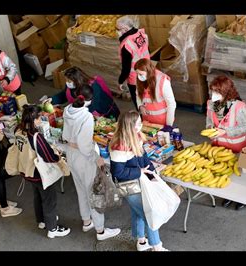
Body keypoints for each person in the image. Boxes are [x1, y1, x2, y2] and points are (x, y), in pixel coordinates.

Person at [62, 94, 121, 241]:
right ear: (89, 100)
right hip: (84, 158)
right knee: (94, 193)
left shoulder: (67, 110)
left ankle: (86, 222)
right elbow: (85, 145)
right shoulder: (86, 117)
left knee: (81, 189)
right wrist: (97, 158)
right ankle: (100, 231)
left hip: (71, 154)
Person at [109, 110, 169, 251]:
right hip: (128, 185)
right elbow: (117, 172)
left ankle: (141, 242)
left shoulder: (136, 137)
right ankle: (157, 247)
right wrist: (139, 171)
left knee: (138, 212)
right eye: (138, 123)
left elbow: (142, 157)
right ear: (131, 126)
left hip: (138, 181)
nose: (141, 125)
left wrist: (152, 170)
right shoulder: (119, 146)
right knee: (150, 214)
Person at [15, 104, 71, 238]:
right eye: (40, 117)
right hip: (39, 174)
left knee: (38, 196)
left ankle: (41, 221)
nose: (41, 120)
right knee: (49, 200)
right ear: (34, 120)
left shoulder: (19, 130)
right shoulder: (35, 136)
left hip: (26, 171)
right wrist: (58, 156)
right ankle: (52, 228)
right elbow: (48, 156)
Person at [206, 75, 246, 211]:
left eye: (217, 92)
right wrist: (211, 130)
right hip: (219, 147)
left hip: (237, 147)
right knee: (224, 172)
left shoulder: (238, 106)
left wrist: (224, 131)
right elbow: (208, 122)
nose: (213, 94)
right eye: (212, 91)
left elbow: (245, 127)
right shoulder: (210, 104)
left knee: (239, 174)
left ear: (226, 92)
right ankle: (229, 196)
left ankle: (243, 198)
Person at [50, 67, 119, 118]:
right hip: (83, 112)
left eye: (69, 81)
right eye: (66, 80)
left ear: (77, 80)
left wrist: (76, 113)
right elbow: (64, 95)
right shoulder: (71, 86)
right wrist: (52, 100)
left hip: (102, 112)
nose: (67, 83)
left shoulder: (93, 87)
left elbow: (94, 105)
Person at [116, 16, 150, 110]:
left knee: (139, 102)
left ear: (125, 29)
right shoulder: (142, 34)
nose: (117, 31)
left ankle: (144, 120)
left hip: (135, 78)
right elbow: (147, 50)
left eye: (118, 29)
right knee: (149, 97)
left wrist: (120, 81)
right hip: (148, 71)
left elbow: (126, 68)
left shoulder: (126, 44)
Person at [134, 58, 176, 126]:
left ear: (148, 71)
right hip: (147, 120)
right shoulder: (140, 80)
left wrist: (169, 125)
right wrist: (140, 106)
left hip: (161, 122)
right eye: (137, 74)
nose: (139, 76)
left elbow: (171, 104)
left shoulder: (163, 81)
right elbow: (138, 95)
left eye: (141, 74)